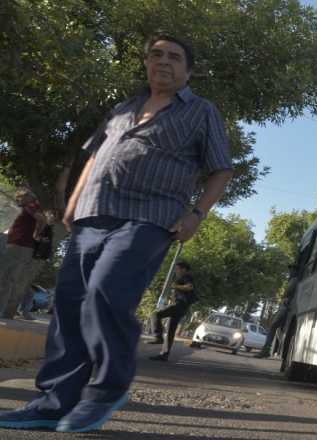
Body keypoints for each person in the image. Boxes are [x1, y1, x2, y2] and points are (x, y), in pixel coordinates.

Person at [0, 34, 233, 433]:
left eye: (174, 57)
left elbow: (221, 168)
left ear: (188, 71)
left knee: (106, 291)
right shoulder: (122, 109)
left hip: (149, 217)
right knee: (70, 305)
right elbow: (94, 157)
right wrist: (73, 202)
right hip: (93, 213)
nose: (163, 61)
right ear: (145, 63)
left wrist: (197, 213)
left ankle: (106, 390)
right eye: (155, 55)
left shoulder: (200, 112)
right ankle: (53, 403)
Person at [0, 188, 47, 319]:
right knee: (9, 280)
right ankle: (3, 311)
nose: (17, 201)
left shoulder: (30, 206)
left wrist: (36, 234)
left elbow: (41, 220)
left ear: (27, 197)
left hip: (17, 246)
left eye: (19, 198)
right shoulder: (34, 207)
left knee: (4, 277)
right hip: (23, 247)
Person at [147, 261, 198, 361]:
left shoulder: (186, 276)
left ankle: (158, 337)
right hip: (182, 307)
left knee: (155, 315)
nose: (176, 271)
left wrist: (174, 286)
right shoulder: (182, 278)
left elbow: (189, 287)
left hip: (179, 305)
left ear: (183, 269)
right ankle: (164, 355)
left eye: (177, 269)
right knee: (170, 330)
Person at [254, 265, 299, 359]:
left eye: (291, 270)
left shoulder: (294, 280)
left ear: (295, 271)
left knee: (273, 326)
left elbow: (288, 293)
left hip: (285, 308)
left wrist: (284, 297)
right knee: (277, 329)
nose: (289, 272)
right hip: (285, 307)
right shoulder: (293, 280)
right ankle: (271, 349)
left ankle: (266, 350)